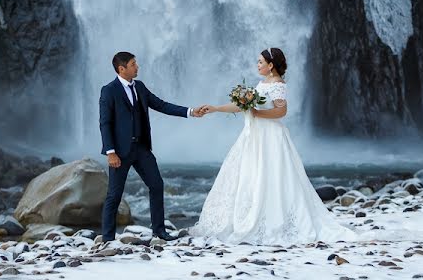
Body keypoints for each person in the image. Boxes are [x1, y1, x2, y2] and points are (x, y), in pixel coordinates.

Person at [190, 47, 356, 245]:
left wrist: (257, 114)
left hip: (270, 137)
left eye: (261, 62)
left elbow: (281, 111)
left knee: (272, 177)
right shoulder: (263, 83)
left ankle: (272, 221)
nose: (257, 65)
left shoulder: (277, 84)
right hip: (254, 136)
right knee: (251, 176)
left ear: (271, 66)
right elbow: (243, 106)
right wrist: (216, 108)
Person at [99, 51, 209, 242]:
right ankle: (108, 238)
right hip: (120, 152)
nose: (137, 66)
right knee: (114, 195)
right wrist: (110, 152)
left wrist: (191, 112)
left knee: (157, 185)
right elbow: (105, 123)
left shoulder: (139, 87)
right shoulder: (109, 90)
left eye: (136, 63)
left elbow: (161, 105)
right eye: (133, 64)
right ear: (121, 68)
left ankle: (159, 231)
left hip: (141, 148)